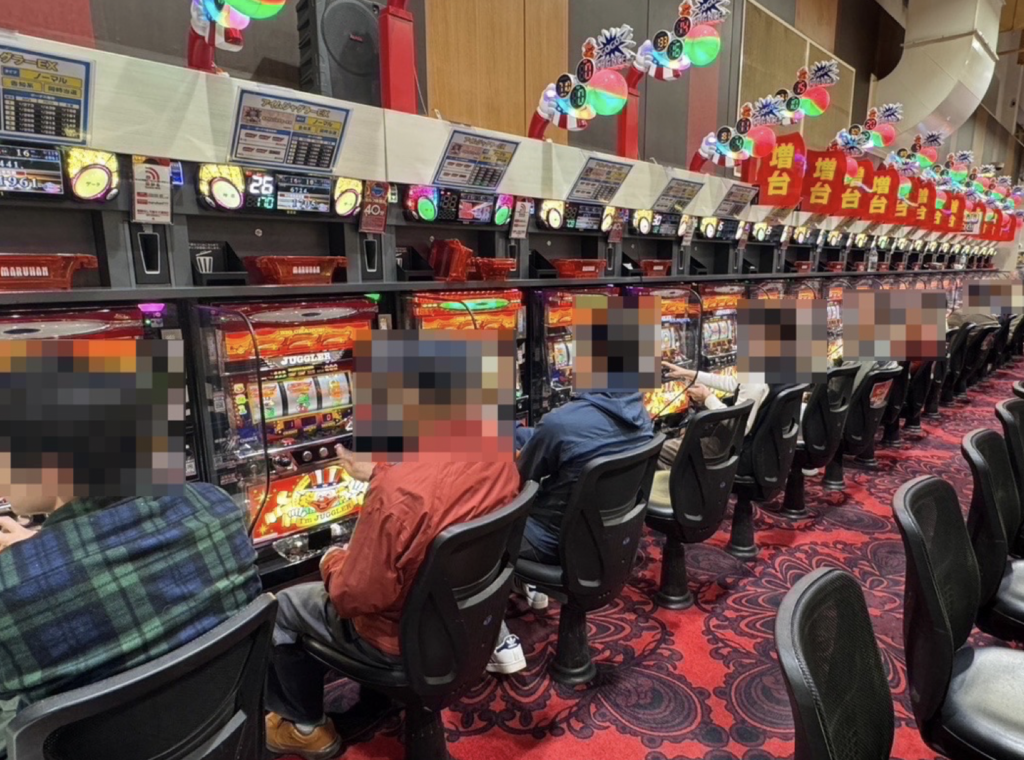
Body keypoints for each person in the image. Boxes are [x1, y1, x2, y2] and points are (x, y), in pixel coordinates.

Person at [0, 341, 260, 760]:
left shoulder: (9, 590)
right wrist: (43, 550)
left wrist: (31, 562)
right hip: (214, 739)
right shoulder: (217, 507)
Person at [265, 446, 521, 760]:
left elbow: (352, 598)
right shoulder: (498, 454)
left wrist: (331, 560)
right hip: (471, 619)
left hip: (398, 641)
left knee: (283, 605)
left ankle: (305, 728)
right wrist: (381, 472)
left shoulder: (396, 491)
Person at [656, 364, 770, 470]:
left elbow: (741, 428)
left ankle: (685, 484)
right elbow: (734, 383)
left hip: (733, 448)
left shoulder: (755, 380)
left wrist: (707, 398)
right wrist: (690, 374)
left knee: (659, 450)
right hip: (758, 447)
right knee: (687, 430)